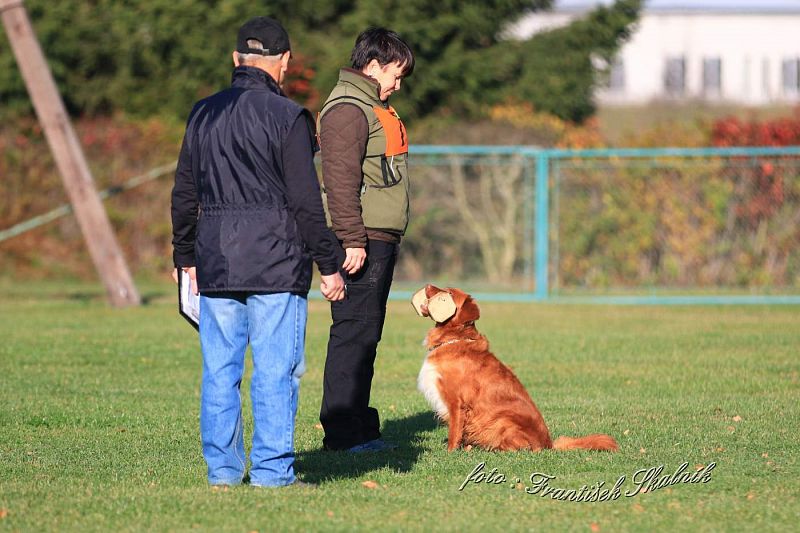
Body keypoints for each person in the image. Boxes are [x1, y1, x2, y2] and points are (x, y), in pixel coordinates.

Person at [170, 16, 345, 486]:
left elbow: (185, 193)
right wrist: (329, 264)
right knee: (275, 371)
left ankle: (223, 473)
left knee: (220, 371)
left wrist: (183, 256)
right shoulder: (288, 117)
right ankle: (272, 474)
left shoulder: (201, 113)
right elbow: (307, 203)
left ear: (235, 60)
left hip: (214, 260)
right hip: (276, 262)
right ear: (284, 62)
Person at [317, 28, 415, 452]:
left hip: (377, 237)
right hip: (361, 240)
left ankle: (361, 428)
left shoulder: (371, 106)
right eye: (396, 73)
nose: (398, 83)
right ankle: (342, 433)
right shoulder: (346, 110)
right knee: (353, 332)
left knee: (366, 333)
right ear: (373, 66)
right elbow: (339, 183)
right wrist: (352, 239)